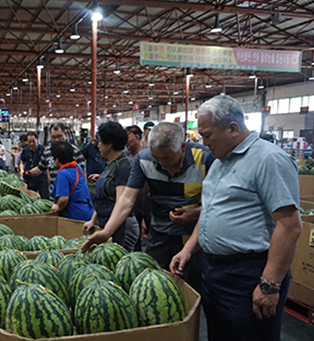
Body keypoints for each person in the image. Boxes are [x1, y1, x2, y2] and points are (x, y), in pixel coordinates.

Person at [169, 95, 302, 341]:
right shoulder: (220, 161)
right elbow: (213, 209)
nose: (203, 142)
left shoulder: (269, 160)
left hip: (250, 273)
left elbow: (289, 226)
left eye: (206, 135)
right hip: (215, 271)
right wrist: (189, 249)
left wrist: (269, 284)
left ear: (232, 128)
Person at [82, 122, 215, 290]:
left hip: (194, 241)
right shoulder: (144, 158)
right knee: (152, 290)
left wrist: (194, 213)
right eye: (156, 158)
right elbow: (127, 199)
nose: (160, 164)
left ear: (182, 147)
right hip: (158, 238)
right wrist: (107, 231)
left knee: (191, 293)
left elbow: (215, 205)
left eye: (166, 158)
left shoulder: (205, 158)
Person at [83, 122, 139, 251]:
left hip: (121, 226)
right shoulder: (111, 164)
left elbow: (121, 203)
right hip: (108, 224)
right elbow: (104, 199)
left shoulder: (124, 166)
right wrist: (93, 220)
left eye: (100, 141)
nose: (99, 145)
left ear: (109, 144)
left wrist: (109, 232)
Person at [26, 123, 85, 194]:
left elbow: (82, 173)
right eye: (53, 137)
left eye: (59, 136)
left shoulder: (75, 151)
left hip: (72, 196)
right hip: (54, 195)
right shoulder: (47, 152)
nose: (57, 140)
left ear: (65, 134)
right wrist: (28, 173)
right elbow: (41, 168)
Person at [50, 141, 94, 222]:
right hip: (87, 211)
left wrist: (57, 207)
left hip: (75, 214)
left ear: (57, 160)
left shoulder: (63, 174)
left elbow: (63, 199)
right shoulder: (77, 167)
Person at [126, 125, 151, 248]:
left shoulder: (148, 156)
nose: (126, 142)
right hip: (133, 206)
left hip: (148, 205)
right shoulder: (127, 159)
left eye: (128, 137)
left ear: (137, 136)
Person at [20, 132, 49, 199]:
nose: (31, 144)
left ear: (37, 139)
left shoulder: (43, 150)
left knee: (45, 198)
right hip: (29, 178)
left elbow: (47, 166)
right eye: (29, 142)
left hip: (41, 178)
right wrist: (22, 170)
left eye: (33, 141)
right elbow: (22, 162)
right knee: (30, 198)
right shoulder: (25, 150)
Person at [82, 136, 106, 202]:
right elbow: (82, 159)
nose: (98, 145)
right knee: (93, 198)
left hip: (102, 177)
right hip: (91, 179)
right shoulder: (88, 148)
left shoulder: (104, 149)